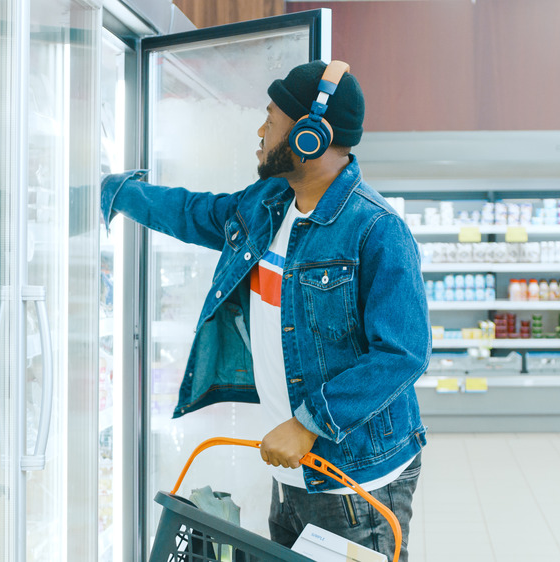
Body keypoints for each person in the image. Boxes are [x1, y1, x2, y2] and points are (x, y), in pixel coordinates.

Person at [101, 60, 429, 560]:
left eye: (270, 118)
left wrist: (310, 422)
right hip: (294, 472)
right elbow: (197, 213)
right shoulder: (270, 203)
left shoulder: (376, 230)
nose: (261, 130)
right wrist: (122, 194)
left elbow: (404, 354)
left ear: (310, 136)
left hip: (354, 480)